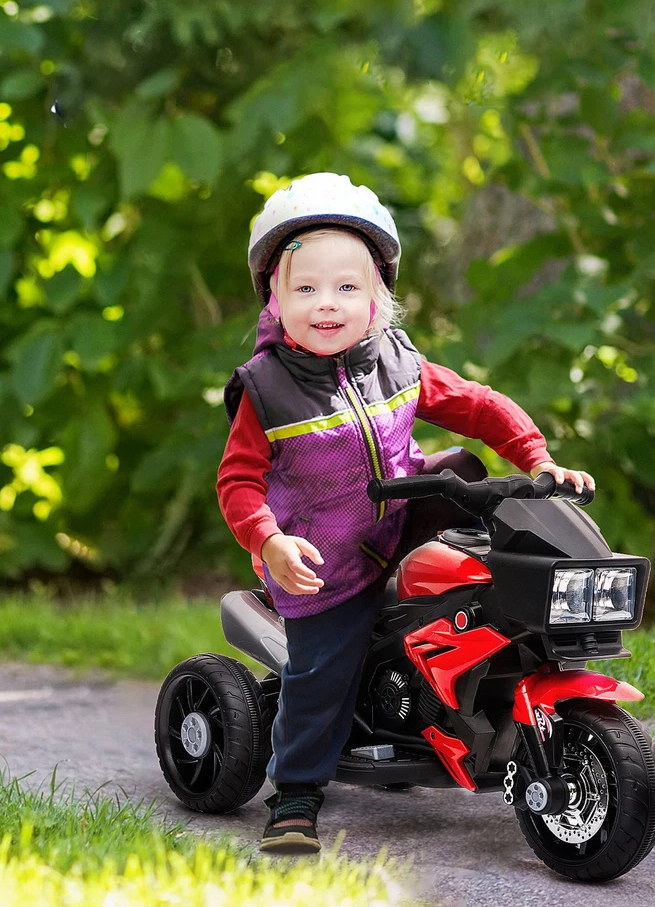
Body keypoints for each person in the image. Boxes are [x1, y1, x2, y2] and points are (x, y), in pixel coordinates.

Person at [216, 172, 594, 855]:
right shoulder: (265, 390)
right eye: (306, 289)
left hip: (404, 520)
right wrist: (268, 540)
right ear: (274, 297)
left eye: (346, 287)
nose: (326, 304)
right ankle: (296, 796)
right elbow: (239, 480)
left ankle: (466, 704)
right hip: (323, 559)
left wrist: (538, 460)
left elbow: (478, 405)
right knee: (324, 667)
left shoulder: (399, 362)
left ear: (379, 296)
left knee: (481, 498)